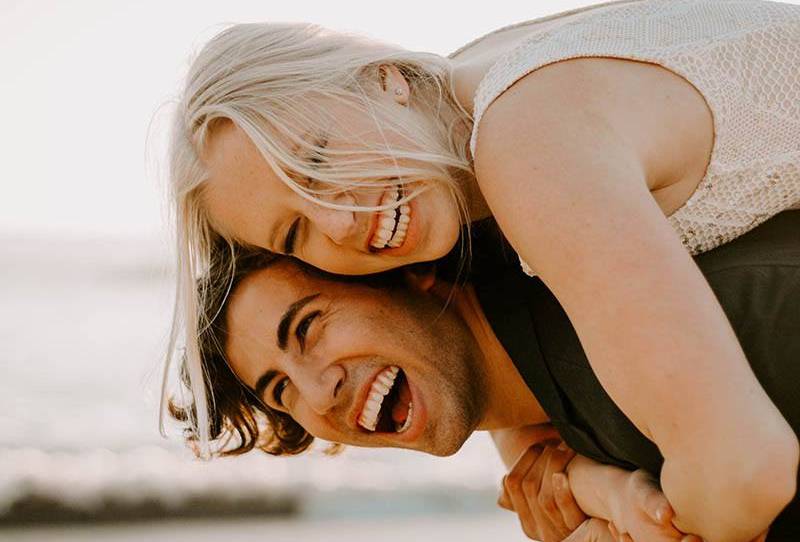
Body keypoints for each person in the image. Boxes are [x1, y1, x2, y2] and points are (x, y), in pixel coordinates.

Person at [164, 1, 800, 540]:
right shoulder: (466, 105)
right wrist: (561, 468)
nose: (337, 224)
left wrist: (601, 501)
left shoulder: (526, 138)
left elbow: (744, 472)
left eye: (318, 162)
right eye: (296, 232)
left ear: (382, 78)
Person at [167, 210, 800, 541]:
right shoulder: (572, 395)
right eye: (279, 390)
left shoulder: (651, 367)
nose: (317, 392)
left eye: (308, 328)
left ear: (398, 271)